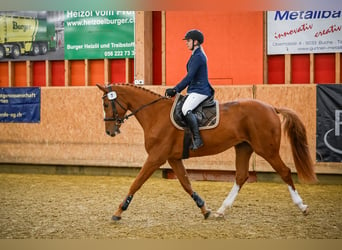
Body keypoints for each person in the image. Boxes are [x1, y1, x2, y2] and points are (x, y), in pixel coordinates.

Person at [165, 29, 214, 150]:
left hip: (201, 90)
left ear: (195, 42)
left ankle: (198, 139)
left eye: (188, 41)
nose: (186, 43)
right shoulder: (195, 55)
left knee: (186, 108)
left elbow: (189, 76)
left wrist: (176, 89)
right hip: (194, 90)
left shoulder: (198, 57)